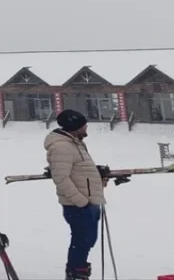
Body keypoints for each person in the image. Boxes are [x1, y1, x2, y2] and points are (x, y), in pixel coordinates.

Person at [45, 110, 105, 280]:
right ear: (75, 127)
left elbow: (78, 170)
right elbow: (61, 178)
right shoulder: (61, 147)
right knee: (81, 241)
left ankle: (79, 270)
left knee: (88, 240)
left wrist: (97, 172)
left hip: (89, 201)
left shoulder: (74, 143)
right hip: (78, 204)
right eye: (83, 125)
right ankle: (76, 272)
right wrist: (81, 201)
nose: (86, 127)